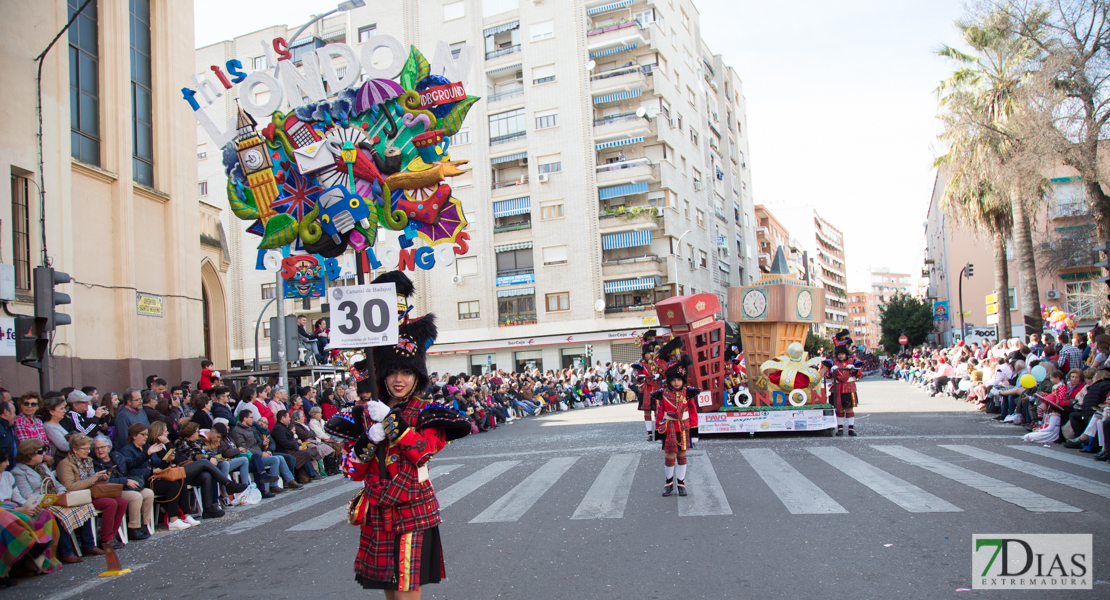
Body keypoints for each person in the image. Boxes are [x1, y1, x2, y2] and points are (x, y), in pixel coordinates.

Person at [344, 273, 471, 596]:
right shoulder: (366, 414)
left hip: (413, 510)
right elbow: (351, 470)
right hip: (377, 511)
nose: (399, 380)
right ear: (382, 376)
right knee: (389, 593)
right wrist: (367, 440)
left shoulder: (429, 414)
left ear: (418, 377)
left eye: (407, 373)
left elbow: (423, 453)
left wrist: (394, 425)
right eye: (393, 373)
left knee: (405, 593)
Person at [10, 439, 99, 557]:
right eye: (40, 452)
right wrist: (50, 498)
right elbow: (27, 495)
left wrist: (62, 491)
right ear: (30, 455)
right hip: (40, 503)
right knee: (59, 514)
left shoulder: (42, 466)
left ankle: (89, 546)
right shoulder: (18, 472)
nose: (44, 454)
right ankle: (66, 552)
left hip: (54, 499)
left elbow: (55, 483)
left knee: (83, 506)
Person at [55, 434, 129, 550]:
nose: (88, 451)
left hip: (91, 494)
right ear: (74, 450)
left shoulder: (88, 461)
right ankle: (105, 539)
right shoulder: (65, 464)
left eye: (89, 448)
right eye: (85, 449)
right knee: (110, 503)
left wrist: (103, 478)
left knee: (122, 501)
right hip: (78, 497)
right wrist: (93, 479)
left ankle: (112, 536)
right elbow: (69, 487)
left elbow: (92, 482)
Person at [114, 424, 192, 530]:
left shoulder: (146, 447)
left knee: (180, 481)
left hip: (153, 477)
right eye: (143, 434)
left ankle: (186, 515)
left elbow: (158, 464)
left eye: (147, 434)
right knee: (172, 485)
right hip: (141, 481)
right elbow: (130, 470)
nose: (146, 437)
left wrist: (166, 460)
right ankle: (173, 519)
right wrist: (150, 471)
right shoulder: (127, 450)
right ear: (134, 436)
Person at [650, 337, 700, 497]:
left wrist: (695, 432)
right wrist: (658, 433)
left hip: (684, 426)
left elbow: (693, 412)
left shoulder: (688, 392)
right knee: (670, 455)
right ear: (669, 381)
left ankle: (681, 483)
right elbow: (659, 414)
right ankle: (668, 482)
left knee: (682, 455)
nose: (677, 382)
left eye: (679, 379)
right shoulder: (663, 394)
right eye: (674, 380)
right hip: (669, 428)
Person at [91, 437, 153, 540]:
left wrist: (148, 453)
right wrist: (125, 481)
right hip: (113, 490)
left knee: (148, 493)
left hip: (125, 486)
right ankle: (134, 527)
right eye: (96, 448)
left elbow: (133, 463)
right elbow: (101, 483)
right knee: (135, 496)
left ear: (109, 447)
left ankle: (144, 524)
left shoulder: (116, 455)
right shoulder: (95, 463)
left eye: (102, 447)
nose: (100, 450)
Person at [826, 331, 862, 436]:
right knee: (839, 409)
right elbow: (828, 376)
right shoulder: (834, 363)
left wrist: (854, 370)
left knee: (849, 409)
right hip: (837, 388)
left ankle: (851, 429)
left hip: (849, 388)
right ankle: (840, 429)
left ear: (846, 354)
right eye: (839, 354)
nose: (841, 356)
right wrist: (831, 371)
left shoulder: (852, 362)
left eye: (843, 354)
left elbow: (859, 375)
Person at [271, 410, 320, 482]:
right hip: (284, 450)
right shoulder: (278, 428)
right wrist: (297, 447)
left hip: (289, 447)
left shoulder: (283, 427)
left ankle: (315, 472)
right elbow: (284, 442)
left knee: (309, 450)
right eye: (288, 417)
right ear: (282, 418)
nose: (289, 419)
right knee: (303, 454)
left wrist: (297, 442)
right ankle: (312, 475)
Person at [632, 331, 661, 441]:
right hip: (647, 390)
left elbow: (665, 373)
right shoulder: (642, 365)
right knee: (647, 411)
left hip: (657, 388)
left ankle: (658, 431)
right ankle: (649, 433)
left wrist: (660, 375)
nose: (648, 355)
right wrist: (640, 377)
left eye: (650, 353)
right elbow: (637, 377)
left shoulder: (658, 363)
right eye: (647, 353)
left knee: (658, 411)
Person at [12, 393, 51, 466]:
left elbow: (45, 442)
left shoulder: (39, 421)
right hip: (29, 461)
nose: (29, 406)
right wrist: (45, 457)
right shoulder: (19, 420)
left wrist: (47, 456)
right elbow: (25, 446)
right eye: (26, 404)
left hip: (41, 459)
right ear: (21, 405)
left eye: (33, 404)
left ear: (38, 407)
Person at [39, 396, 70, 463]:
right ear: (52, 412)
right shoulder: (49, 427)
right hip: (58, 462)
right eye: (61, 409)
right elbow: (64, 446)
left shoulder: (57, 424)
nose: (64, 411)